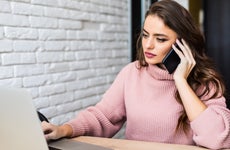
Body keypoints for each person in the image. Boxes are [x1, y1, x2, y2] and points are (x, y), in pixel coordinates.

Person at [42, 0, 230, 149]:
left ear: (183, 45)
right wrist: (64, 129)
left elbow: (218, 139)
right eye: (146, 34)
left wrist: (180, 80)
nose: (148, 45)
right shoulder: (132, 73)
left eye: (160, 39)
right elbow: (102, 116)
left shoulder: (205, 81)